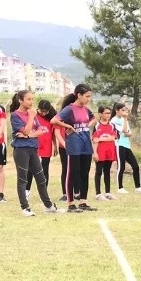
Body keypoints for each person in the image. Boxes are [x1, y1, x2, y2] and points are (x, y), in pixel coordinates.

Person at [8, 90, 57, 217]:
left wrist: (28, 134)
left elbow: (41, 130)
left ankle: (48, 206)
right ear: (20, 100)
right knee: (23, 179)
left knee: (41, 178)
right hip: (21, 150)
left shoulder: (33, 114)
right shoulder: (15, 115)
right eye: (29, 99)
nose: (31, 102)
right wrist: (30, 120)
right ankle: (25, 208)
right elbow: (25, 131)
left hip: (33, 149)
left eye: (32, 99)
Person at [52, 84, 96, 213]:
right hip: (74, 145)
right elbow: (54, 120)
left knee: (85, 173)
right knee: (72, 174)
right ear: (79, 95)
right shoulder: (69, 109)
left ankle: (83, 201)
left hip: (86, 145)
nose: (89, 99)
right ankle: (71, 204)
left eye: (90, 96)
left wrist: (85, 126)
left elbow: (93, 119)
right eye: (87, 96)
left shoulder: (86, 109)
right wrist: (67, 126)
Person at [112, 103, 141, 193]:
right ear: (117, 110)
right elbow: (124, 130)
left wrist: (126, 126)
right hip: (119, 145)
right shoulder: (113, 121)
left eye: (125, 110)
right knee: (121, 166)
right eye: (122, 110)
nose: (124, 112)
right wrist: (125, 121)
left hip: (126, 145)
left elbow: (129, 133)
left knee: (135, 166)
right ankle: (120, 188)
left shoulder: (124, 120)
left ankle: (138, 187)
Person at [92, 106, 119, 200]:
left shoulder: (112, 125)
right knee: (99, 171)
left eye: (109, 113)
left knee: (107, 172)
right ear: (100, 114)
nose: (108, 115)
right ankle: (98, 194)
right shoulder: (96, 125)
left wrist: (101, 138)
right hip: (100, 151)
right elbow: (95, 140)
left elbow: (113, 137)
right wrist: (95, 152)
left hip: (110, 151)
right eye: (106, 113)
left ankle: (108, 193)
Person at [35, 100, 57, 191]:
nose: (43, 113)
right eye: (41, 111)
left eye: (45, 111)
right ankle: (26, 191)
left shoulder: (52, 118)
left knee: (45, 169)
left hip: (46, 147)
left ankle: (43, 191)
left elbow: (53, 134)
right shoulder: (33, 116)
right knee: (31, 170)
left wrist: (55, 146)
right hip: (34, 146)